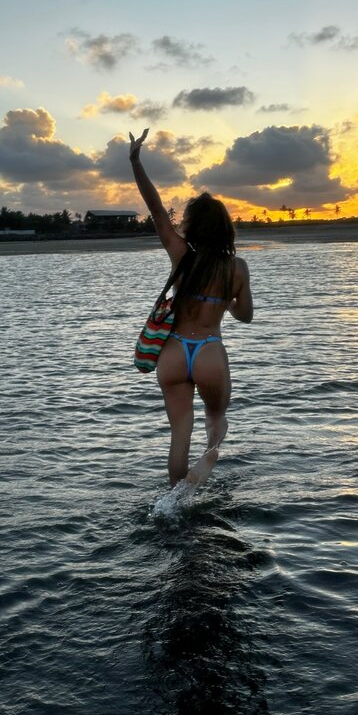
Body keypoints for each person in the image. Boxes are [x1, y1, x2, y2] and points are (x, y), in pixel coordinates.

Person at [129, 128, 254, 488]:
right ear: (225, 227)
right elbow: (246, 316)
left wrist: (135, 161)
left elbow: (156, 210)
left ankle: (175, 502)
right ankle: (209, 458)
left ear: (192, 226)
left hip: (173, 352)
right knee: (216, 419)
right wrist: (226, 305)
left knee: (179, 435)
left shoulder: (180, 254)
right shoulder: (237, 268)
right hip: (208, 350)